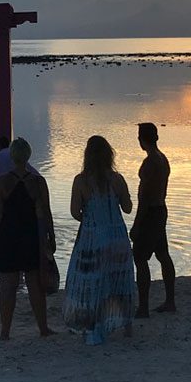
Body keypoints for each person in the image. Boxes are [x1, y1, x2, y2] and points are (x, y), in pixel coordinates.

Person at [63, 135, 135, 345]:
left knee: (91, 282)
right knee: (118, 280)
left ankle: (92, 326)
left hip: (92, 237)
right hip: (117, 237)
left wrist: (89, 216)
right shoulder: (117, 179)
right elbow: (128, 208)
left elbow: (75, 212)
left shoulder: (81, 181)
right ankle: (126, 326)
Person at [0, 137, 56, 340]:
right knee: (35, 284)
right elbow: (46, 212)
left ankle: (5, 331)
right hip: (30, 234)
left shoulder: (2, 181)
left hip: (8, 235)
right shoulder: (38, 181)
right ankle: (43, 328)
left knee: (8, 285)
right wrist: (51, 235)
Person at [130, 123, 176, 317]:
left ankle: (143, 307)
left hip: (150, 212)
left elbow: (145, 198)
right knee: (162, 254)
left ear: (141, 140)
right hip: (160, 210)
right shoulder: (162, 159)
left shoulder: (150, 162)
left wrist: (136, 224)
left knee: (140, 258)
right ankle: (170, 301)